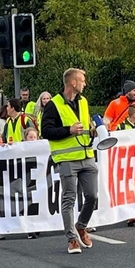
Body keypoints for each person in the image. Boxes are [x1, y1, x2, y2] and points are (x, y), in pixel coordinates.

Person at [42, 68, 97, 254]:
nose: (85, 83)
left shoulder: (83, 102)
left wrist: (92, 130)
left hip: (86, 155)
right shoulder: (53, 105)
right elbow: (46, 131)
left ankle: (81, 225)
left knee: (92, 196)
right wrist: (68, 130)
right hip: (66, 159)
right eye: (82, 80)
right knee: (69, 198)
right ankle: (72, 239)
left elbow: (85, 123)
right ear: (73, 83)